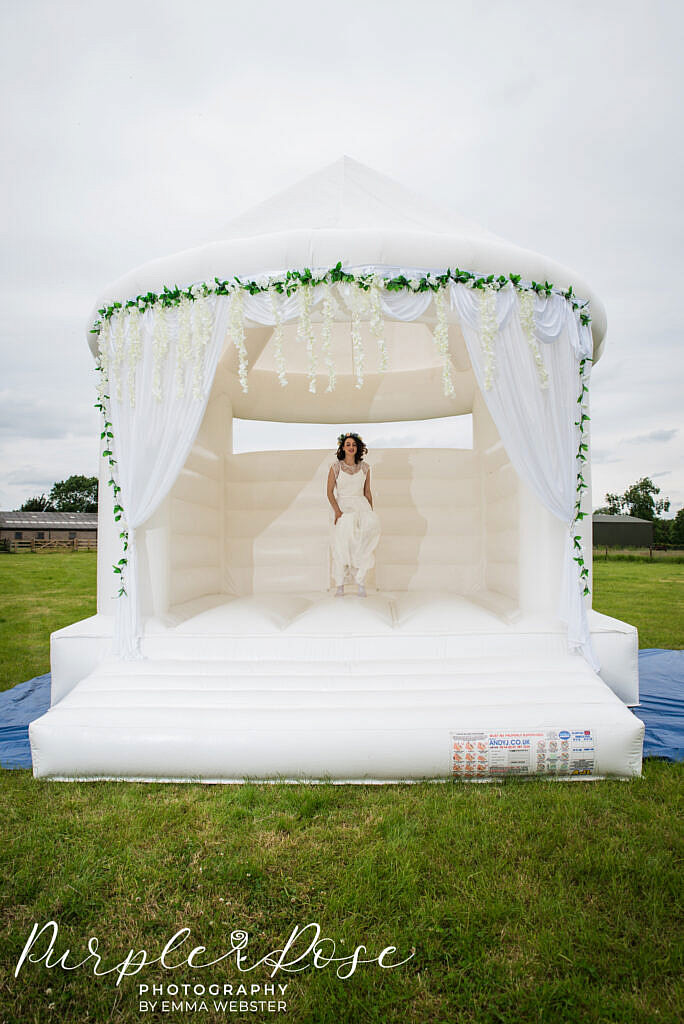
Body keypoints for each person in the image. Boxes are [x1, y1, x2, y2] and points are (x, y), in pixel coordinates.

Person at [326, 432, 381, 597]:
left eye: (354, 445)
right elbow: (329, 492)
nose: (351, 447)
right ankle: (340, 584)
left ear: (358, 448)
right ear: (343, 447)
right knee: (342, 545)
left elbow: (367, 492)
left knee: (362, 545)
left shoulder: (365, 468)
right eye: (348, 444)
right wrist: (337, 511)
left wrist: (370, 512)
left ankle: (361, 582)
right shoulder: (335, 467)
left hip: (361, 506)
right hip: (343, 506)